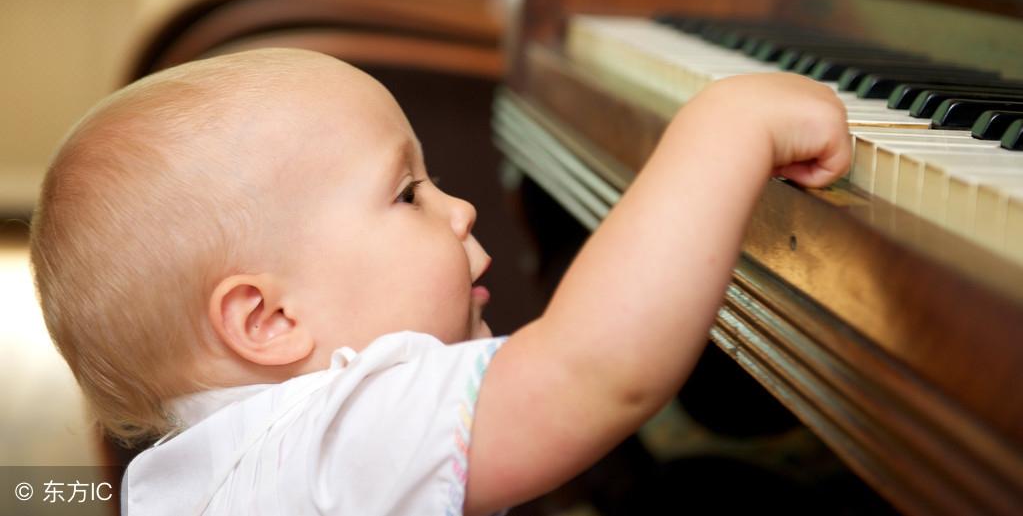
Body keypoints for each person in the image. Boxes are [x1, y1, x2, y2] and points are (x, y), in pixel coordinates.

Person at [30, 48, 849, 515]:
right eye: (407, 192)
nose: (457, 208)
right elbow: (594, 371)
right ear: (270, 317)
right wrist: (727, 126)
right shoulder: (336, 435)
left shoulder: (195, 474)